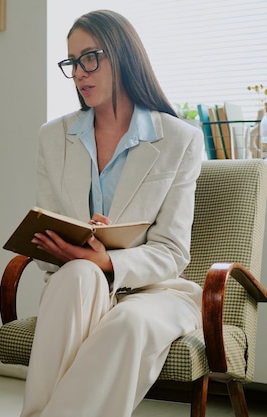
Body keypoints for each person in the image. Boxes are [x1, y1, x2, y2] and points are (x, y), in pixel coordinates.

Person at [20, 10, 204, 417]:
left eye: (90, 57)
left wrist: (107, 259)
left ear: (122, 55)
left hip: (155, 292)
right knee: (80, 274)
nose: (79, 73)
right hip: (76, 285)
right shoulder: (53, 138)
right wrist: (78, 249)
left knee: (127, 323)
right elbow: (43, 236)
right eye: (71, 62)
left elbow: (172, 252)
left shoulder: (180, 140)